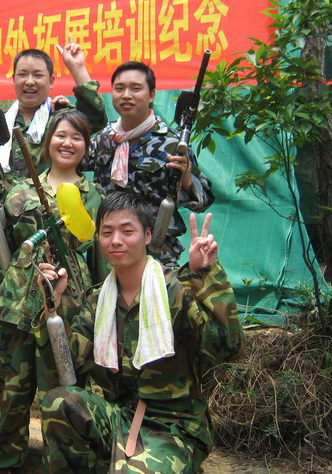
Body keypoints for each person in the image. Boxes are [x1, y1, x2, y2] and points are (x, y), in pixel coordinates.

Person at [35, 190, 244, 473]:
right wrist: (53, 308)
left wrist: (206, 276)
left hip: (173, 424)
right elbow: (67, 366)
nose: (116, 240)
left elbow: (227, 348)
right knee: (59, 401)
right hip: (118, 415)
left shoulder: (176, 291)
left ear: (147, 236)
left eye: (127, 231)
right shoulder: (98, 300)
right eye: (107, 232)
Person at [0, 43, 107, 440]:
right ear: (11, 79)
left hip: (64, 277)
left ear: (50, 80)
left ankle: (65, 435)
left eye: (38, 75)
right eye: (22, 74)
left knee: (60, 359)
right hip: (14, 264)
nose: (29, 81)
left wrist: (79, 71)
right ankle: (4, 422)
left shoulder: (61, 120)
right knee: (7, 349)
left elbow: (93, 120)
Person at [0, 110, 104, 473]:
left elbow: (98, 254)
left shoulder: (94, 195)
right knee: (13, 386)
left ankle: (61, 463)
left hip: (67, 298)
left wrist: (95, 306)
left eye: (77, 137)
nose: (68, 143)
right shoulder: (20, 189)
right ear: (48, 142)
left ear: (86, 146)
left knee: (60, 383)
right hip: (19, 297)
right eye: (61, 135)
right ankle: (3, 461)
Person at [84, 61, 214, 266]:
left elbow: (204, 200)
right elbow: (70, 163)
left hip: (157, 252)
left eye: (136, 88)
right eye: (119, 88)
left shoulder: (172, 143)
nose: (126, 95)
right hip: (110, 250)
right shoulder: (103, 139)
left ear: (152, 95)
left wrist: (187, 180)